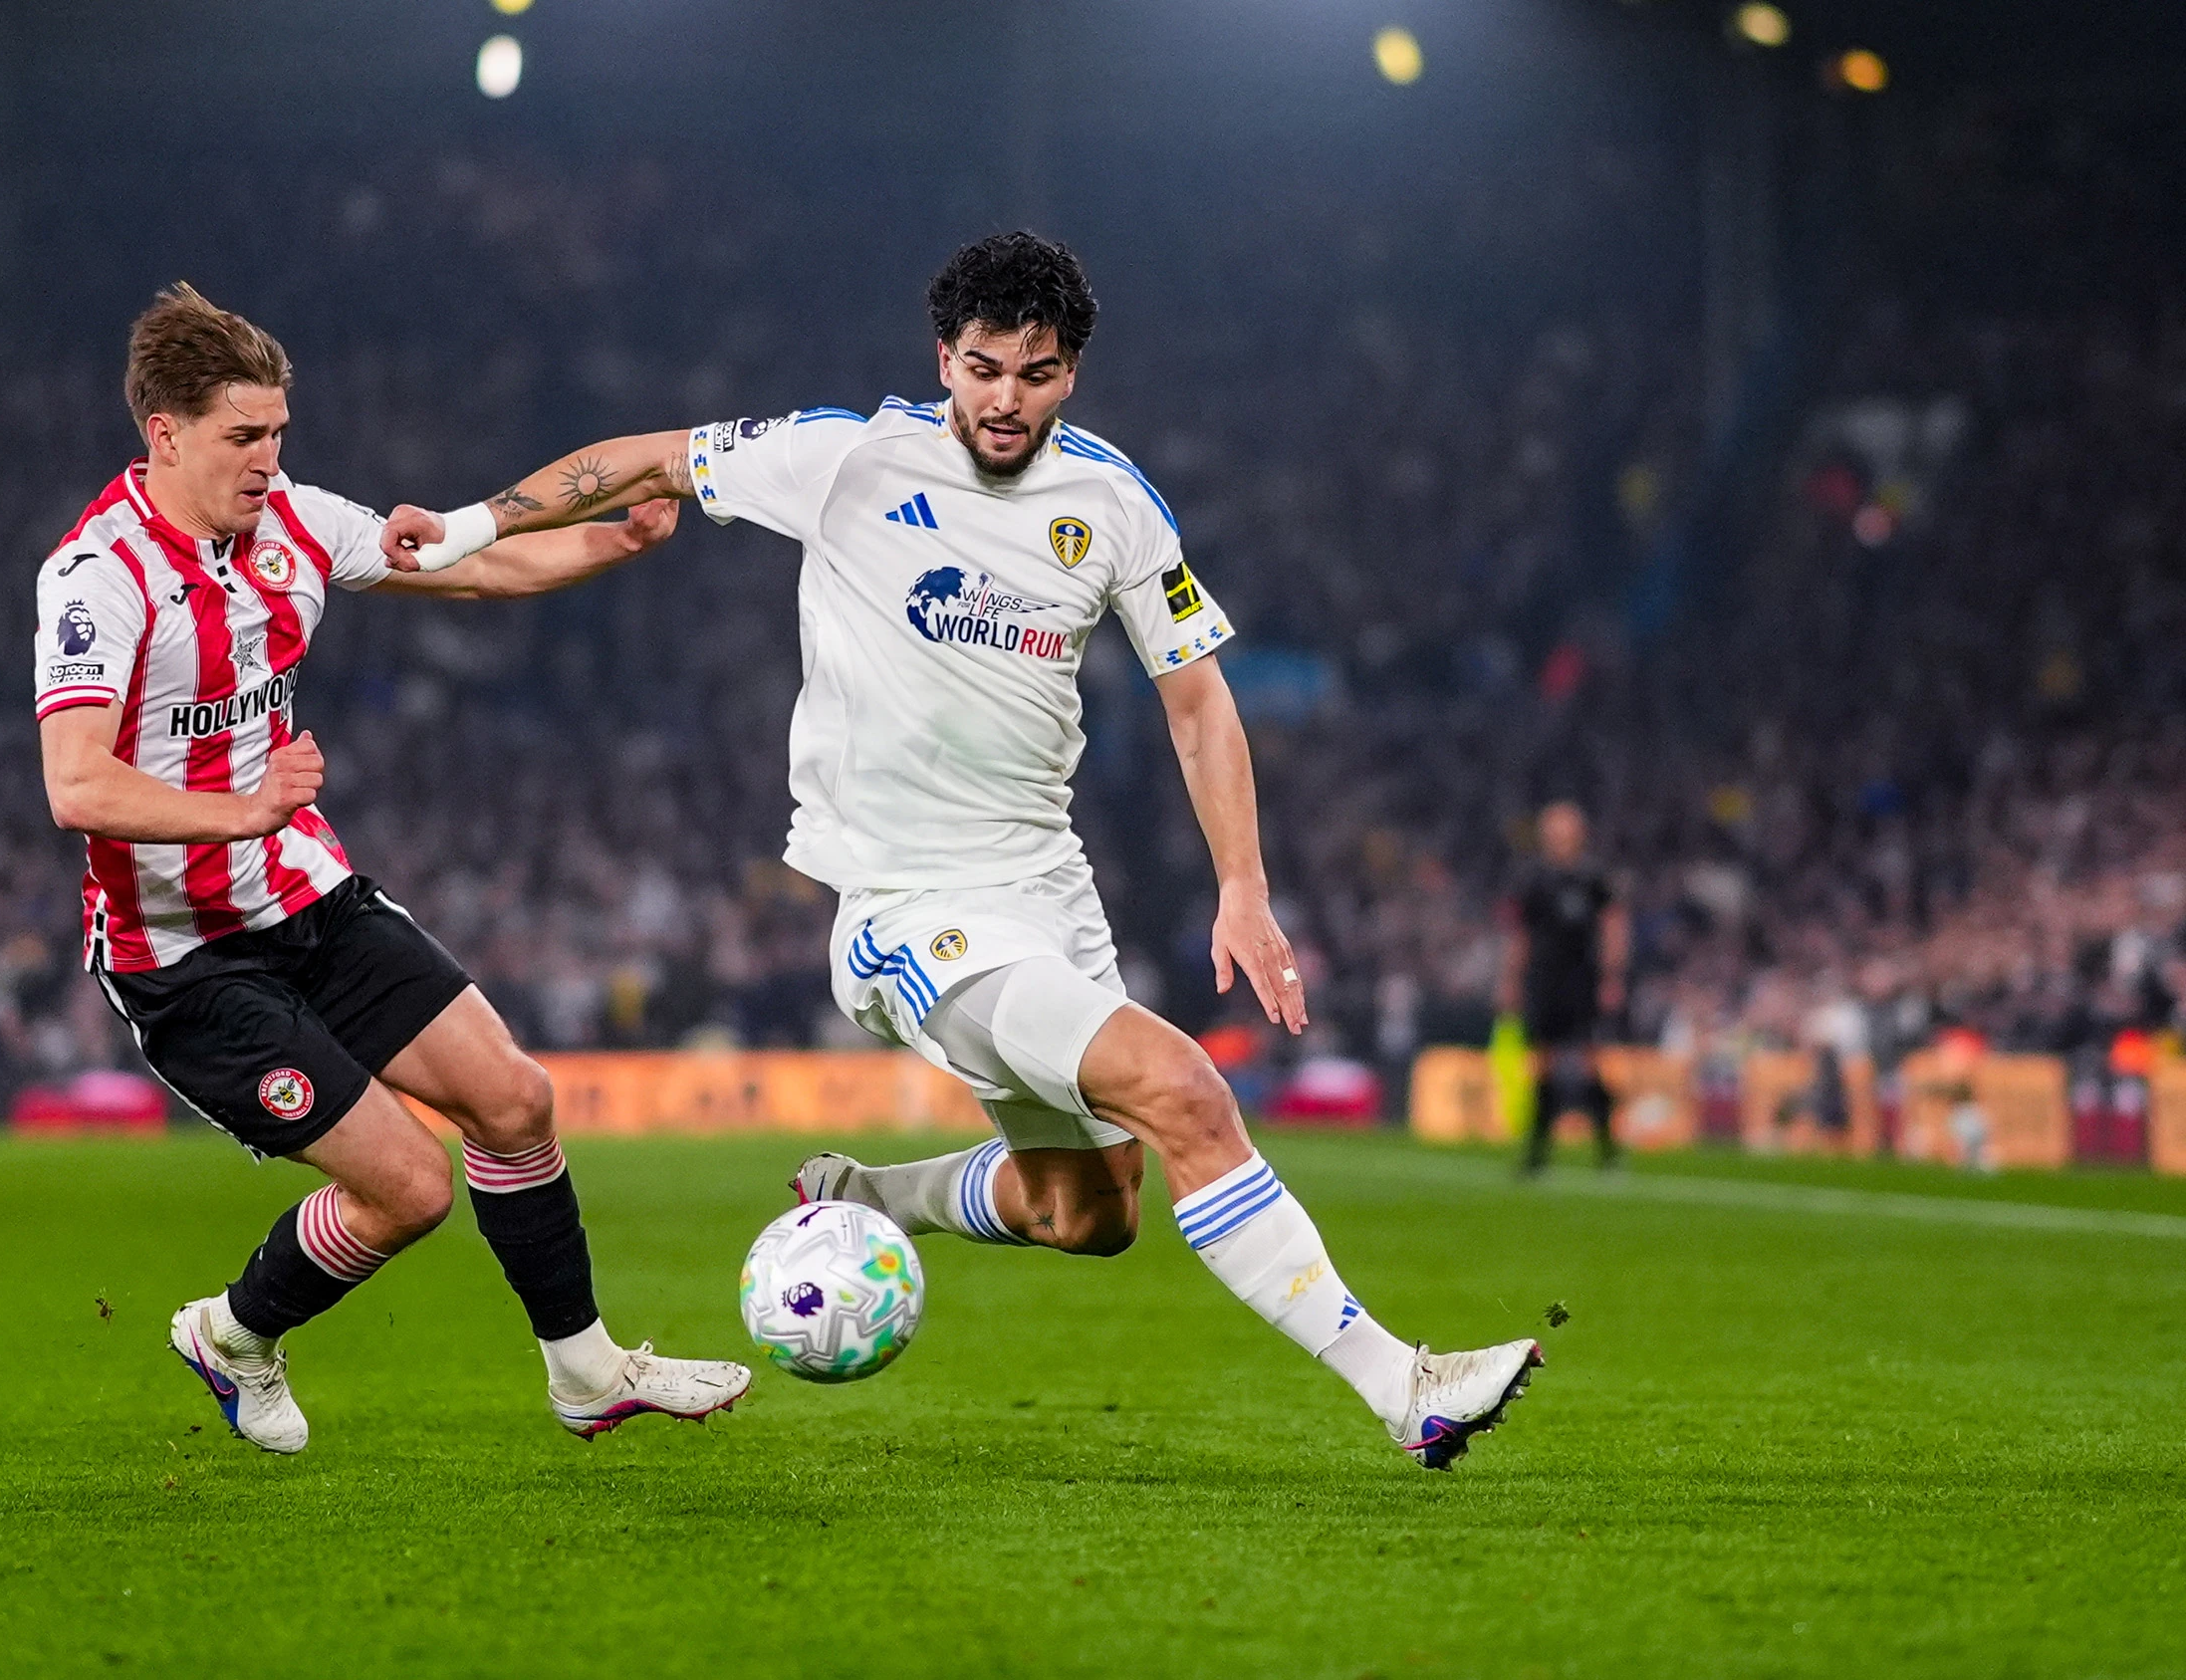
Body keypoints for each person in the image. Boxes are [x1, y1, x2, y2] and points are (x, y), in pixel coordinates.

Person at [383, 234, 1543, 1470]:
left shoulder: (1113, 503)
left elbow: (1198, 701)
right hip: (908, 907)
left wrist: (1243, 889)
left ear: (1071, 373)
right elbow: (647, 457)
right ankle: (1405, 1385)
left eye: (1034, 374)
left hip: (1049, 890)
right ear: (943, 358)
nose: (1004, 399)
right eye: (982, 369)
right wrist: (466, 526)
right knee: (1186, 1090)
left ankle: (877, 1197)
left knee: (1091, 1214)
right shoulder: (846, 459)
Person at [35, 283, 748, 1453]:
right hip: (184, 956)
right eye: (243, 436)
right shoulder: (97, 576)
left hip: (306, 894)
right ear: (163, 433)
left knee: (514, 1100)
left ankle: (585, 1370)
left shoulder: (297, 521)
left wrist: (609, 542)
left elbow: (470, 570)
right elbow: (76, 785)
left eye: (278, 432)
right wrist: (243, 808)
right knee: (410, 1188)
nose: (269, 459)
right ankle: (233, 1334)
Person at [1498, 801, 1629, 1174]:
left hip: (1582, 979)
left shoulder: (1594, 878)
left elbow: (1614, 925)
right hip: (1544, 980)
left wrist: (1612, 976)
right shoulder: (1533, 880)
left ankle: (1608, 1150)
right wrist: (1511, 980)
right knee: (1543, 1065)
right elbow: (1521, 935)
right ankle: (1537, 1153)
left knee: (1590, 1063)